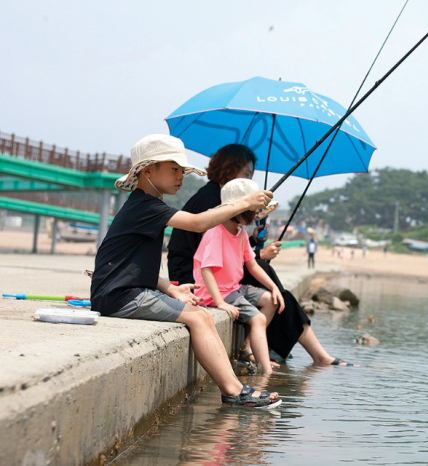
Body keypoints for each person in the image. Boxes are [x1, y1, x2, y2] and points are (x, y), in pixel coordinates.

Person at [90, 134, 280, 408]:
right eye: (174, 169)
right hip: (119, 298)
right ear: (148, 170)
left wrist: (168, 288)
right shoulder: (147, 206)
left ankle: (236, 388)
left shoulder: (144, 205)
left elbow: (128, 267)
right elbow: (197, 223)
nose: (181, 176)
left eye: (182, 170)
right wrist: (243, 203)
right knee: (200, 318)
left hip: (122, 291)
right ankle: (233, 391)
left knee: (202, 315)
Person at [167, 144, 354, 367]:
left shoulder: (222, 201)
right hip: (192, 275)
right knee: (268, 278)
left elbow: (231, 245)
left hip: (218, 270)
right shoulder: (212, 200)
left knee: (274, 290)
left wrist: (254, 241)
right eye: (246, 172)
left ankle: (284, 347)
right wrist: (259, 254)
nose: (249, 178)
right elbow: (208, 251)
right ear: (229, 168)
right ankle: (303, 352)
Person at [194, 178, 286, 375]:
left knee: (272, 300)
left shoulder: (241, 232)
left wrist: (274, 287)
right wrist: (220, 302)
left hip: (233, 288)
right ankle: (266, 372)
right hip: (216, 292)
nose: (254, 216)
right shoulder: (215, 232)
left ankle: (247, 348)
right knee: (259, 320)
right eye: (251, 212)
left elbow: (252, 265)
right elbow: (206, 270)